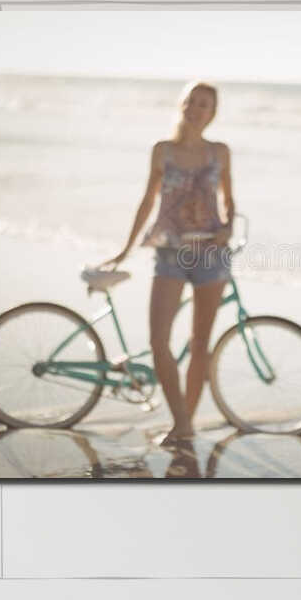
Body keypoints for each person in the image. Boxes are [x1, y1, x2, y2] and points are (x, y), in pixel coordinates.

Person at [101, 81, 235, 445]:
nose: (196, 108)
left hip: (210, 255)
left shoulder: (220, 152)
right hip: (170, 253)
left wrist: (228, 227)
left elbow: (229, 202)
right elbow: (147, 201)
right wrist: (126, 249)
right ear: (182, 105)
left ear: (212, 113)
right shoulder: (161, 151)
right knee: (159, 340)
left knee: (199, 343)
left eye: (204, 104)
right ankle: (181, 421)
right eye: (191, 101)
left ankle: (183, 426)